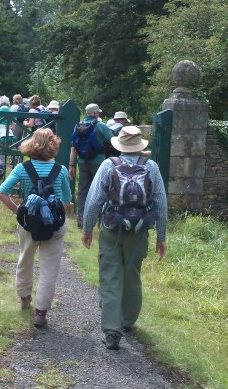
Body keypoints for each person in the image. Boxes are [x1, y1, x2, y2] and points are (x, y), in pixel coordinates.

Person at [81, 125, 168, 350]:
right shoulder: (152, 167)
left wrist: (88, 229)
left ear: (120, 145)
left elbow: (94, 200)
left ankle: (112, 331)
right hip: (139, 232)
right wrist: (161, 235)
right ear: (139, 146)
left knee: (111, 277)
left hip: (111, 228)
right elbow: (160, 203)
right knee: (132, 273)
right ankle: (128, 321)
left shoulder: (108, 165)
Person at [0, 129, 73, 328]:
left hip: (28, 223)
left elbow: (2, 192)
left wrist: (17, 211)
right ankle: (41, 312)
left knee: (25, 259)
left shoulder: (23, 169)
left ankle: (24, 299)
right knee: (50, 268)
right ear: (53, 145)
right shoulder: (61, 170)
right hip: (54, 225)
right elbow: (66, 201)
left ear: (31, 144)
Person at [68, 103, 113, 228]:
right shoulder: (101, 126)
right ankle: (100, 221)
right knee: (100, 190)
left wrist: (71, 165)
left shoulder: (78, 127)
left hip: (82, 162)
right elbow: (112, 140)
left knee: (82, 191)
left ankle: (81, 219)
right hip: (99, 163)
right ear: (95, 113)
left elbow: (74, 148)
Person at [0, 96, 17, 178]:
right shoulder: (11, 111)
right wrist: (11, 132)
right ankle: (5, 170)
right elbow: (14, 124)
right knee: (6, 152)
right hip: (8, 133)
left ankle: (0, 167)